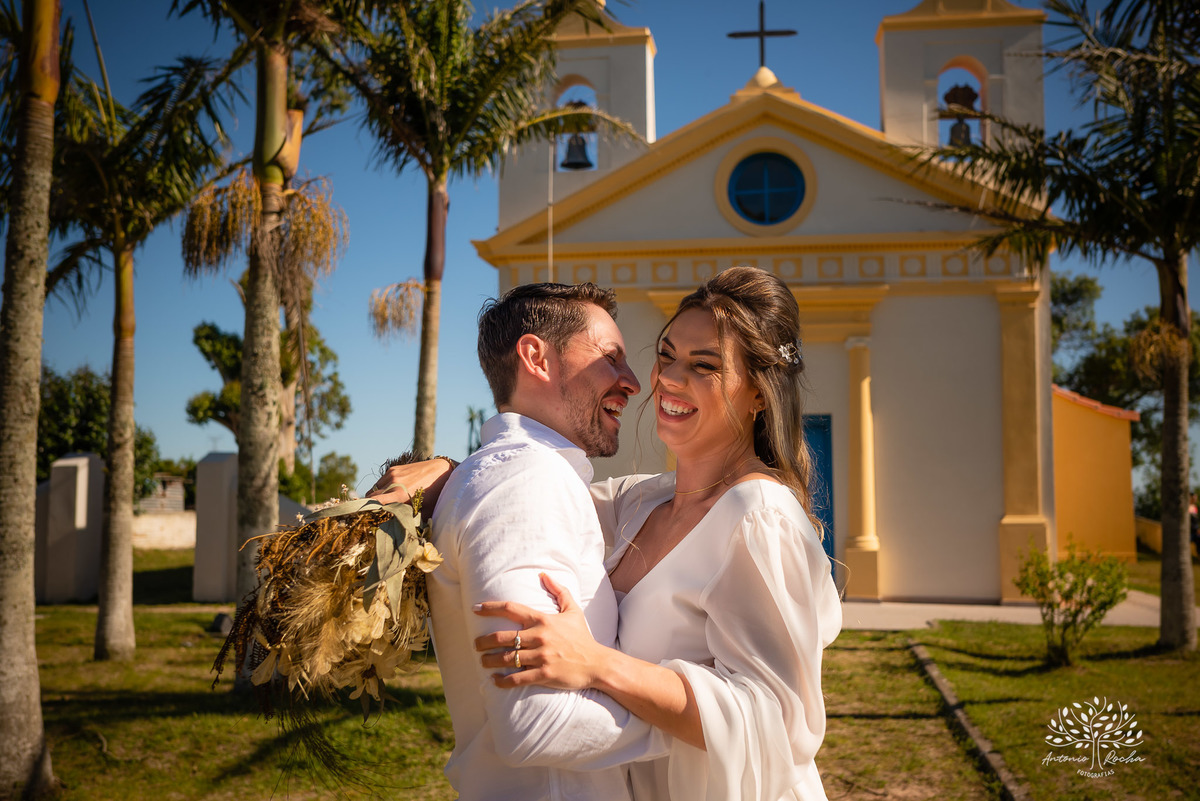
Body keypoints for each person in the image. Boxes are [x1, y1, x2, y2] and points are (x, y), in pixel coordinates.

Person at [374, 267, 842, 800]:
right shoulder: (638, 502)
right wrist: (451, 470)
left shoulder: (760, 515)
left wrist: (600, 666)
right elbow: (520, 490)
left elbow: (782, 722)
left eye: (704, 365)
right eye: (666, 355)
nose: (666, 379)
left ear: (758, 393)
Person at [411, 282, 668, 801]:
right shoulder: (524, 482)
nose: (633, 382)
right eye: (611, 358)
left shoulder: (523, 476)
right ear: (536, 357)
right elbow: (536, 721)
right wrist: (706, 719)